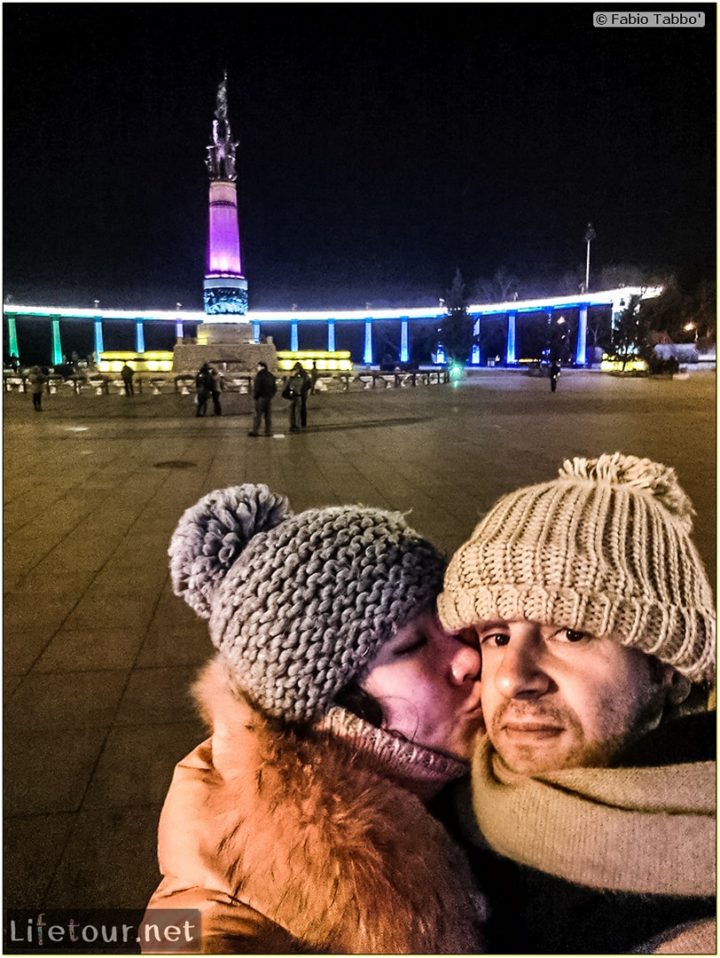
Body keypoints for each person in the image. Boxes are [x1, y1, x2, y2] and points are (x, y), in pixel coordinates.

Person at [143, 484, 487, 953]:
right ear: (333, 711)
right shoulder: (229, 916)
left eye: (450, 622)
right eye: (411, 645)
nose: (469, 656)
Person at [438, 453, 716, 954]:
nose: (513, 679)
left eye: (570, 633)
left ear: (667, 670)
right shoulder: (437, 809)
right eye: (497, 637)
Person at [248, 361, 276, 436]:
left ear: (262, 367)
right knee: (268, 416)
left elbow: (257, 387)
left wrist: (256, 396)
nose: (257, 368)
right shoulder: (270, 375)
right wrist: (271, 395)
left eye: (258, 366)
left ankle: (255, 431)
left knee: (258, 415)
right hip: (268, 397)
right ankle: (268, 431)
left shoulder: (260, 375)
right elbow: (274, 387)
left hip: (261, 397)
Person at [284, 360, 310, 432]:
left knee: (294, 410)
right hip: (301, 395)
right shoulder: (305, 375)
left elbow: (288, 384)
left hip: (296, 395)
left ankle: (294, 425)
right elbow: (308, 385)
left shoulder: (295, 375)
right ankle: (300, 424)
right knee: (300, 410)